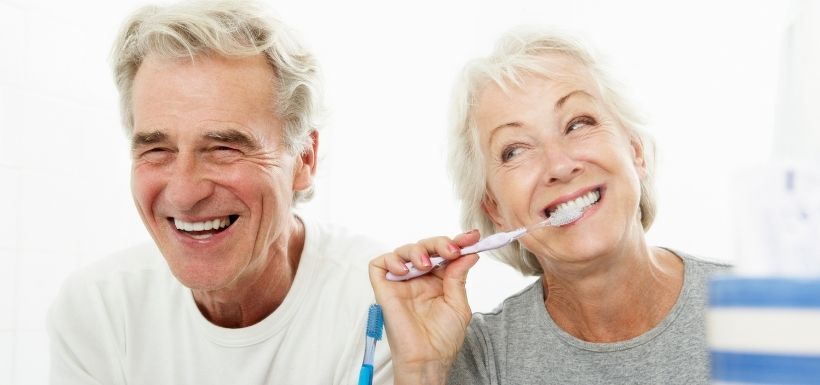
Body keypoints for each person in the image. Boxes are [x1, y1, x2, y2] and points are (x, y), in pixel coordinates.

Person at [47, 1, 392, 383]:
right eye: (157, 150)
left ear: (303, 160)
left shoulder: (383, 306)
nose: (183, 193)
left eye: (224, 149)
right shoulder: (99, 311)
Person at [369, 28, 730, 385]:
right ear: (494, 209)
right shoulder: (478, 362)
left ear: (635, 151)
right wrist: (421, 370)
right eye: (515, 150)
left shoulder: (760, 308)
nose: (559, 166)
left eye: (577, 124)